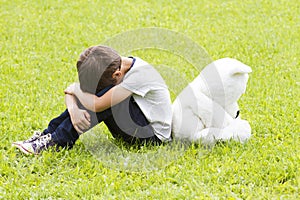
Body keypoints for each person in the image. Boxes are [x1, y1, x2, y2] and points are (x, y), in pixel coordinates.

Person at [12, 45, 172, 155]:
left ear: (117, 75)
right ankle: (48, 135)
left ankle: (57, 141)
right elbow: (75, 92)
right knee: (103, 94)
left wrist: (75, 89)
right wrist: (74, 110)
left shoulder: (139, 75)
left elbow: (96, 103)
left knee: (110, 99)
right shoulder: (109, 65)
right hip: (137, 122)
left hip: (151, 137)